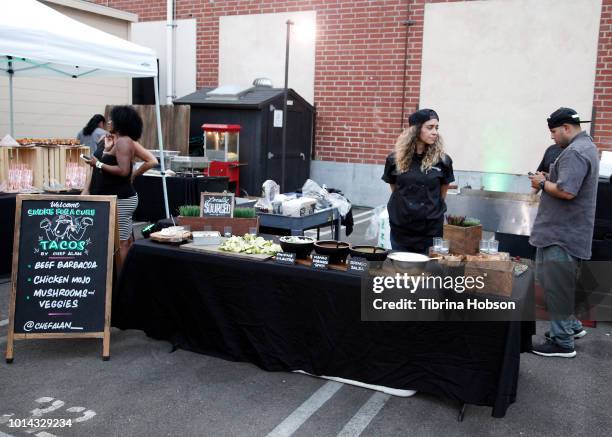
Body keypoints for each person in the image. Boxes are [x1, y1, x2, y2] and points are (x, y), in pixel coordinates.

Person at [529, 107, 599, 358]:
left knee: (556, 288)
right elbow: (568, 183)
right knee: (554, 284)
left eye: (554, 133)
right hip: (563, 232)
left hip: (561, 234)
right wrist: (550, 177)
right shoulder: (585, 147)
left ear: (567, 128)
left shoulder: (576, 152)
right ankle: (570, 326)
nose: (552, 138)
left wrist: (541, 183)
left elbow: (567, 191)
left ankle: (562, 342)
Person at [82, 106, 156, 271]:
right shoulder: (111, 140)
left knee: (122, 242)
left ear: (121, 122)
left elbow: (123, 171)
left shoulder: (124, 141)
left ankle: (123, 282)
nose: (108, 122)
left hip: (121, 198)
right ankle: (121, 276)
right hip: (109, 196)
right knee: (123, 240)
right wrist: (107, 150)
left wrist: (132, 174)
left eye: (112, 119)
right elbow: (102, 165)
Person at [381, 109, 454, 253]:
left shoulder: (443, 161)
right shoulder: (394, 160)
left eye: (436, 128)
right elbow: (396, 190)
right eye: (430, 127)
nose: (435, 132)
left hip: (430, 231)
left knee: (428, 273)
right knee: (402, 272)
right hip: (401, 230)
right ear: (415, 130)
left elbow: (442, 193)